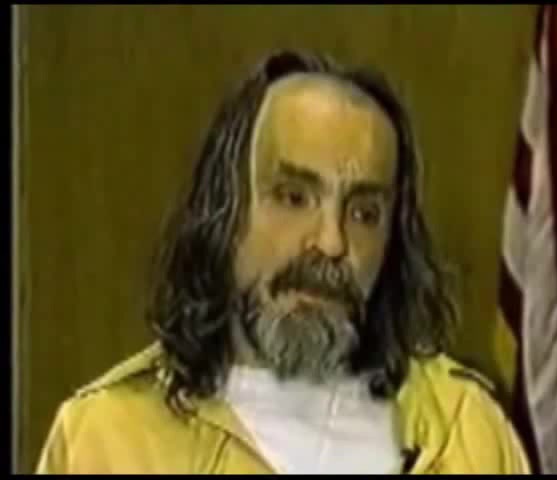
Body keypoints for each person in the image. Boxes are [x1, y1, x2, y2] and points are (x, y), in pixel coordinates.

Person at [36, 50, 530, 474]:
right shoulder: (105, 440)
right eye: (294, 198)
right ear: (226, 210)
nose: (332, 242)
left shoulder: (467, 431)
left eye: (363, 213)